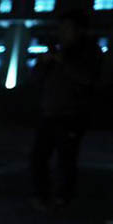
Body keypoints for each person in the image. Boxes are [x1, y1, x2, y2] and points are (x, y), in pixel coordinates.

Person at [29, 9, 101, 211]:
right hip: (49, 112)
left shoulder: (89, 51)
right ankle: (40, 196)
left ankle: (63, 198)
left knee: (66, 159)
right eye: (61, 28)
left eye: (67, 28)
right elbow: (36, 80)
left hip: (71, 114)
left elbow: (88, 79)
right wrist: (42, 64)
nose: (62, 32)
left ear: (79, 30)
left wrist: (62, 61)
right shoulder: (58, 50)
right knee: (38, 156)